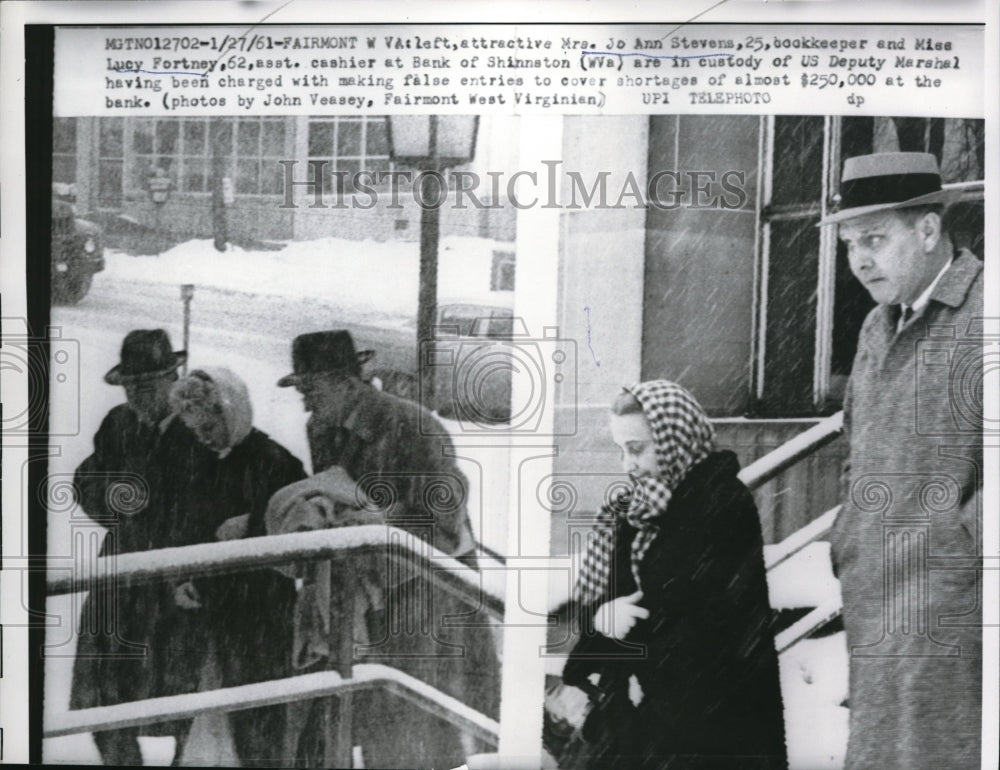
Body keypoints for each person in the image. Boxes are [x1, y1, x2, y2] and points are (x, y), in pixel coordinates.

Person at [267, 330, 500, 769]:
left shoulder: (412, 426)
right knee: (376, 710)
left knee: (421, 711)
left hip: (429, 583)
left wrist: (386, 522)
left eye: (311, 389)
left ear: (347, 383)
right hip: (370, 584)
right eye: (301, 390)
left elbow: (447, 517)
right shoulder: (322, 427)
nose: (305, 402)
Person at [823, 152, 983, 769]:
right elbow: (855, 447)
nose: (860, 259)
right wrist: (850, 537)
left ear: (927, 230)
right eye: (849, 244)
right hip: (875, 599)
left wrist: (959, 550)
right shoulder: (874, 325)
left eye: (874, 239)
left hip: (950, 610)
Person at [562, 381, 787, 770]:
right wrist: (603, 620)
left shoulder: (721, 504)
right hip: (645, 714)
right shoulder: (635, 509)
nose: (627, 465)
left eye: (637, 449)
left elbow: (709, 621)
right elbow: (611, 599)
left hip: (708, 721)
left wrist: (635, 649)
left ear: (674, 442)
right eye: (621, 451)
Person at [69, 329, 209, 766]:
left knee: (186, 700)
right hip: (120, 579)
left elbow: (215, 500)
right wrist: (116, 497)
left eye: (147, 385)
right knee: (105, 702)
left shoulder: (199, 429)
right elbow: (86, 480)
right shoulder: (119, 423)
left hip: (177, 585)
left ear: (174, 380)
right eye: (130, 386)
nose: (137, 395)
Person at [165, 366, 307, 767]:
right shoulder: (207, 462)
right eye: (197, 430)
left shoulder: (273, 462)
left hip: (258, 617)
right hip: (216, 616)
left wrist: (206, 585)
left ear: (232, 412)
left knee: (254, 725)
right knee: (206, 719)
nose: (205, 436)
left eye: (211, 425)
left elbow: (270, 547)